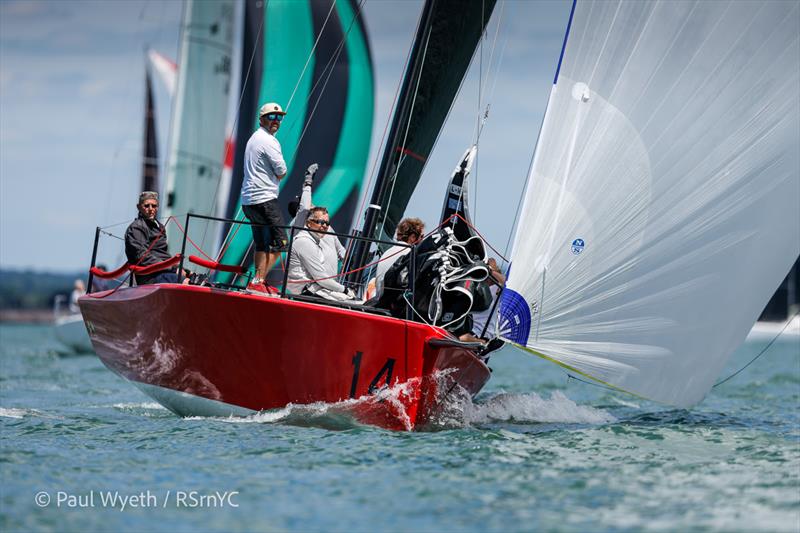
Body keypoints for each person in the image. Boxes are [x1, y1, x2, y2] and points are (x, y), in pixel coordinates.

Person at [240, 102, 289, 294]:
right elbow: (282, 170)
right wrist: (277, 175)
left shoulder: (254, 138)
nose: (276, 121)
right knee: (281, 243)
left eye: (279, 118)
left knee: (262, 243)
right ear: (261, 119)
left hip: (249, 201)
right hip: (265, 199)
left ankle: (257, 280)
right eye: (272, 117)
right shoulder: (269, 140)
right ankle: (258, 280)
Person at [286, 206, 357, 302]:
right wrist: (345, 290)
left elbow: (340, 250)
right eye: (320, 222)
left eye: (327, 223)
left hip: (317, 289)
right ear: (308, 223)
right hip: (307, 292)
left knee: (353, 300)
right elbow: (321, 279)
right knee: (350, 301)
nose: (324, 226)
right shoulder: (305, 242)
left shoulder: (315, 239)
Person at [289, 163, 346, 275]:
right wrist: (308, 182)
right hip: (314, 283)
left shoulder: (323, 224)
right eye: (309, 203)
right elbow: (304, 208)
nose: (312, 204)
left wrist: (352, 260)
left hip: (331, 280)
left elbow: (340, 249)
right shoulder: (297, 227)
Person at [124, 191, 182, 285]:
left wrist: (182, 269)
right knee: (185, 281)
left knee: (194, 280)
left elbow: (163, 256)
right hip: (150, 278)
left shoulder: (160, 227)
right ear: (139, 207)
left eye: (154, 206)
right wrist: (173, 268)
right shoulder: (137, 227)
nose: (151, 209)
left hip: (164, 273)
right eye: (146, 206)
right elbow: (142, 257)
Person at [374, 217, 425, 298]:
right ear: (412, 237)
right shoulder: (409, 254)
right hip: (390, 304)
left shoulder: (389, 251)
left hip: (380, 298)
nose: (423, 240)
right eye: (422, 237)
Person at [462, 257, 506, 343]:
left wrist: (491, 271)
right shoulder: (475, 287)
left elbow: (507, 283)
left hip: (480, 335)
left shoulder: (496, 290)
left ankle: (481, 342)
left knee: (461, 338)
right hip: (468, 329)